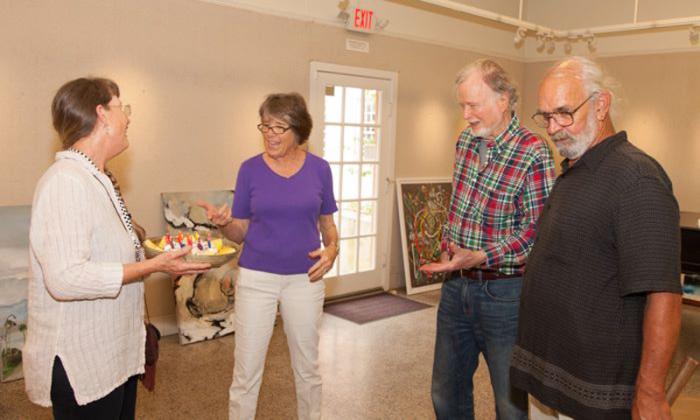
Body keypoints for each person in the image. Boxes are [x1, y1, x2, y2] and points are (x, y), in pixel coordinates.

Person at [25, 77, 210, 419]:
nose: (127, 118)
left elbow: (113, 245)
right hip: (82, 361)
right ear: (102, 114)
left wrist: (156, 253)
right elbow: (65, 278)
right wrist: (152, 267)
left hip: (113, 354)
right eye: (121, 108)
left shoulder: (98, 178)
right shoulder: (66, 182)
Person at [510, 57, 683, 420]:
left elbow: (663, 295)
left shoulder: (637, 180)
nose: (553, 128)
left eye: (563, 113)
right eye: (545, 116)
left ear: (601, 105)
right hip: (549, 374)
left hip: (594, 390)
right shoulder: (574, 169)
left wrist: (650, 393)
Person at [420, 59, 556, 419]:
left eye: (473, 104)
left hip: (505, 297)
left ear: (504, 99)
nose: (466, 114)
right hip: (455, 288)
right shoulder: (466, 141)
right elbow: (460, 206)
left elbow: (535, 234)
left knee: (509, 404)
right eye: (462, 105)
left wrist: (480, 256)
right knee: (445, 394)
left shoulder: (534, 151)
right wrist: (450, 244)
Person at [199, 92, 339, 420]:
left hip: (306, 279)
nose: (270, 134)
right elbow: (241, 232)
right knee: (246, 371)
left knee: (307, 368)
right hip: (257, 278)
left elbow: (328, 225)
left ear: (299, 130)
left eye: (280, 127)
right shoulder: (249, 170)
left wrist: (332, 249)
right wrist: (224, 225)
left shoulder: (320, 170)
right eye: (265, 126)